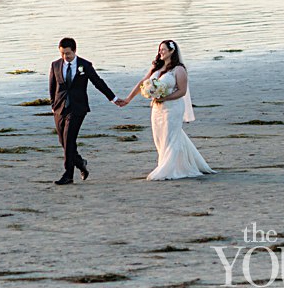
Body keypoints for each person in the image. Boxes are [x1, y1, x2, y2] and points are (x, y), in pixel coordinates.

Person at [122, 40, 214, 181]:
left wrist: (166, 98)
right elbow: (143, 83)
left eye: (163, 49)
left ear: (172, 51)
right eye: (160, 50)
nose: (160, 52)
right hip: (157, 109)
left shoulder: (179, 69)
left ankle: (167, 168)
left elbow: (182, 91)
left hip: (173, 108)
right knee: (160, 137)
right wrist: (129, 98)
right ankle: (173, 163)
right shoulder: (155, 68)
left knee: (171, 136)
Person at [48, 37, 125, 186]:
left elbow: (98, 82)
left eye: (68, 54)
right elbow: (52, 86)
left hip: (77, 108)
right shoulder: (55, 65)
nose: (65, 57)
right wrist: (53, 105)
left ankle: (68, 175)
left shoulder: (84, 65)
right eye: (62, 53)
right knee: (63, 142)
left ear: (75, 51)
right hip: (59, 108)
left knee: (69, 140)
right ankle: (81, 163)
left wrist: (113, 98)